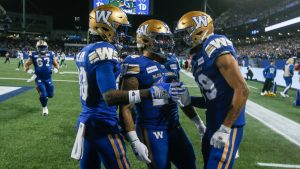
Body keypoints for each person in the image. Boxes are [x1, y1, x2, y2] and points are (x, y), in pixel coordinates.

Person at [71, 5, 185, 169]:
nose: (122, 34)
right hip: (103, 123)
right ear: (105, 26)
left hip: (87, 122)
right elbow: (110, 97)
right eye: (119, 28)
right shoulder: (105, 50)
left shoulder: (86, 50)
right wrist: (153, 92)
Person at [120, 19, 206, 169]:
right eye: (162, 38)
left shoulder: (172, 61)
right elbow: (125, 106)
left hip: (174, 126)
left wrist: (199, 123)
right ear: (146, 40)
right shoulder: (135, 64)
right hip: (151, 128)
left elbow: (180, 96)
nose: (168, 43)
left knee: (190, 163)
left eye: (168, 38)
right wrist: (134, 140)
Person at [175, 11, 249, 169]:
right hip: (213, 123)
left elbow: (242, 90)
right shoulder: (197, 58)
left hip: (227, 124)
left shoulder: (215, 44)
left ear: (200, 30)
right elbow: (212, 98)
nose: (183, 38)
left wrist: (226, 128)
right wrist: (189, 99)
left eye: (186, 33)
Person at [24, 40, 59, 116]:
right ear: (37, 47)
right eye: (40, 47)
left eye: (43, 47)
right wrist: (28, 70)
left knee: (51, 95)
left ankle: (42, 93)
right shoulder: (33, 54)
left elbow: (56, 64)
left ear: (46, 47)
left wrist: (56, 68)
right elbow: (26, 64)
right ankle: (44, 108)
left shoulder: (51, 54)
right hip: (39, 78)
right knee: (43, 95)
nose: (42, 48)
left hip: (48, 78)